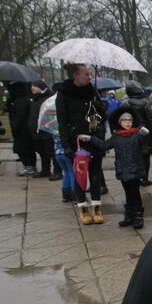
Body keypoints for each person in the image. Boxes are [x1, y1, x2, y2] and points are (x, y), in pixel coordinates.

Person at [79, 106, 150, 228]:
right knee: (128, 193)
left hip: (135, 170)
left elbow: (145, 146)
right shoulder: (116, 136)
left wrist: (145, 135)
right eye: (125, 120)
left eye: (130, 120)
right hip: (122, 170)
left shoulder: (137, 134)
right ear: (119, 122)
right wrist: (91, 139)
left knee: (135, 193)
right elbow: (104, 145)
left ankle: (138, 216)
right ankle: (129, 215)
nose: (128, 122)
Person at [56, 63, 107, 225]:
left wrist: (100, 108)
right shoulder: (63, 94)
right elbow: (62, 122)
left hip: (94, 140)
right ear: (76, 75)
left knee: (95, 174)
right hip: (76, 143)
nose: (90, 76)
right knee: (80, 175)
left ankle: (97, 209)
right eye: (86, 74)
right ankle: (84, 209)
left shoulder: (92, 91)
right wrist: (66, 145)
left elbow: (102, 117)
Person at [121, 81, 152, 187]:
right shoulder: (145, 102)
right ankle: (144, 179)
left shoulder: (124, 103)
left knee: (133, 157)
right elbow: (150, 119)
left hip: (129, 133)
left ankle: (135, 177)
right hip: (144, 134)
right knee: (145, 158)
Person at [28, 81, 60, 180]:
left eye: (34, 86)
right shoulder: (35, 99)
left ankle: (57, 172)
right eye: (32, 86)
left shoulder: (49, 99)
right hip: (36, 131)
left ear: (40, 88)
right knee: (42, 152)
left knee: (51, 152)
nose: (32, 88)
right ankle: (45, 170)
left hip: (47, 131)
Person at [8, 82, 33, 176]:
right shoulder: (26, 100)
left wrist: (15, 128)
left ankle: (28, 167)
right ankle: (31, 167)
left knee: (22, 150)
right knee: (29, 150)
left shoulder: (19, 102)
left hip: (21, 130)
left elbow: (18, 117)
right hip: (27, 129)